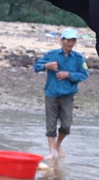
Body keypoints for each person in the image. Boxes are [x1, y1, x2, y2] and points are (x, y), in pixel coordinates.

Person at [32, 27, 89, 159]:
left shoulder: (78, 58)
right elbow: (36, 66)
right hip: (51, 94)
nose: (70, 43)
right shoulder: (51, 55)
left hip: (68, 95)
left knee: (66, 125)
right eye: (68, 40)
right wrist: (47, 66)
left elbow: (84, 74)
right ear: (62, 41)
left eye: (73, 40)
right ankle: (52, 152)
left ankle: (58, 145)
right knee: (50, 125)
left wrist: (68, 75)